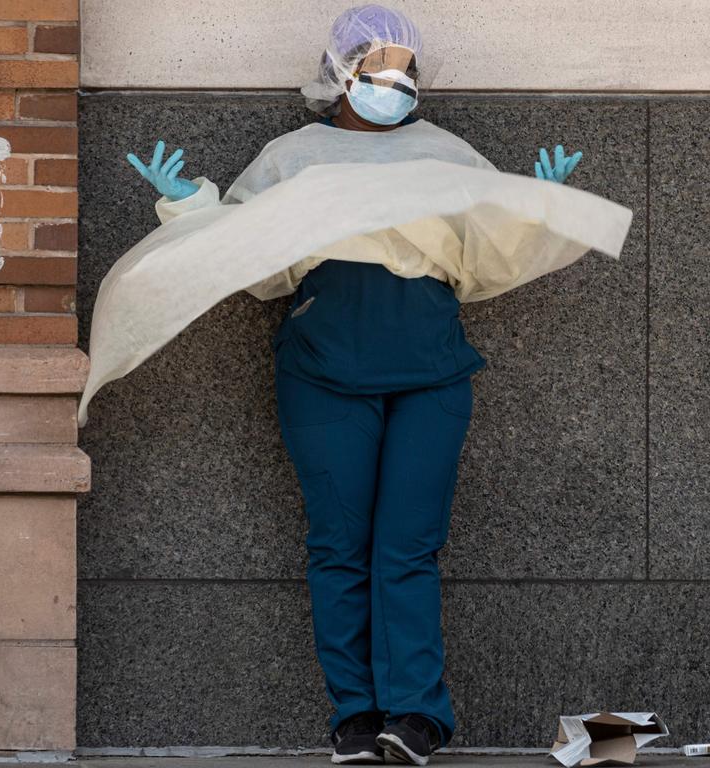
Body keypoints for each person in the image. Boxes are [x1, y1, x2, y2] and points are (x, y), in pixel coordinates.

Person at [126, 5, 582, 766]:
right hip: (324, 373)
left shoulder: (448, 155)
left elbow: (484, 265)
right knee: (340, 546)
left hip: (430, 374)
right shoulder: (291, 158)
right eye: (379, 69)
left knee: (408, 547)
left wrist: (538, 216)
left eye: (407, 70)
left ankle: (417, 718)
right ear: (341, 73)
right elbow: (253, 262)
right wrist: (191, 209)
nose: (395, 83)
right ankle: (356, 719)